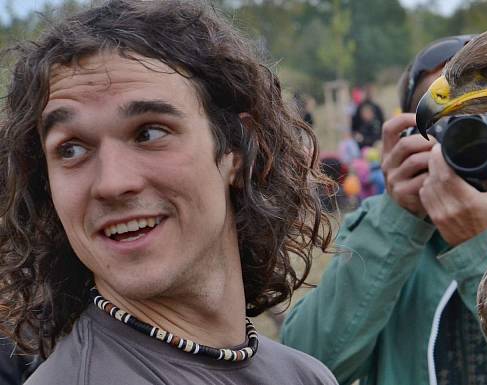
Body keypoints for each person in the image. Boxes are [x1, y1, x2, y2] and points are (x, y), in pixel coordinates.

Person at [0, 1, 337, 384]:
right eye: (71, 149)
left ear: (237, 150)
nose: (112, 183)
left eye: (149, 133)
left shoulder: (304, 375)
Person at [281, 35, 487, 385]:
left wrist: (483, 244)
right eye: (444, 110)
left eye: (483, 108)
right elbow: (305, 367)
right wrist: (397, 217)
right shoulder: (381, 224)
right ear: (412, 131)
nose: (467, 128)